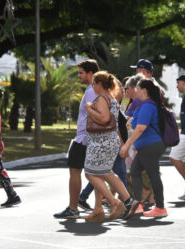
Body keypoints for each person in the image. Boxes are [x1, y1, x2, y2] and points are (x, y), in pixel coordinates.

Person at [83, 71, 135, 223]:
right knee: (105, 173)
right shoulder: (112, 99)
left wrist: (89, 109)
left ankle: (114, 202)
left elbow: (104, 118)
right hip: (109, 141)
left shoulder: (101, 99)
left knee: (90, 173)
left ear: (99, 84)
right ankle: (120, 202)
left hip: (101, 142)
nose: (92, 86)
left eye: (93, 83)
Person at [54, 59, 99, 218]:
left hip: (84, 138)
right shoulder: (92, 89)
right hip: (86, 138)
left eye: (81, 73)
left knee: (76, 171)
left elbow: (94, 115)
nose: (78, 76)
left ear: (90, 73)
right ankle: (101, 206)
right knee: (94, 173)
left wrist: (88, 140)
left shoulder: (91, 91)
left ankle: (73, 209)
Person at [120, 79, 167, 218]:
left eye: (138, 88)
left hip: (150, 146)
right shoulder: (145, 105)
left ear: (144, 90)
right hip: (147, 146)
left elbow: (140, 128)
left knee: (153, 176)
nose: (135, 90)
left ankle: (160, 208)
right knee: (135, 172)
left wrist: (127, 145)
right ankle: (138, 205)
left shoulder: (147, 106)